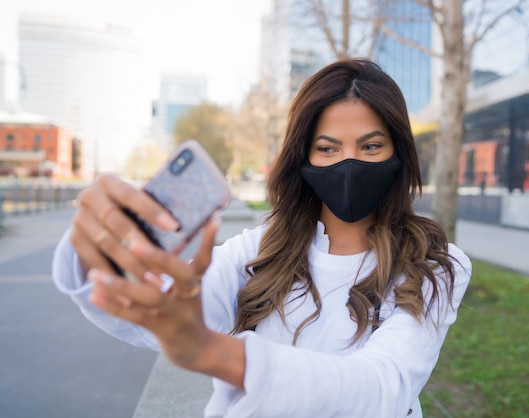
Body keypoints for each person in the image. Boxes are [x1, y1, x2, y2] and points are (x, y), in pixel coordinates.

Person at [52, 58, 472, 418]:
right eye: (327, 148)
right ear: (302, 156)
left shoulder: (437, 264)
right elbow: (142, 311)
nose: (348, 163)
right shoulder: (255, 252)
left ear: (398, 155)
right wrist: (94, 251)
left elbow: (383, 386)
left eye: (370, 146)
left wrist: (218, 355)